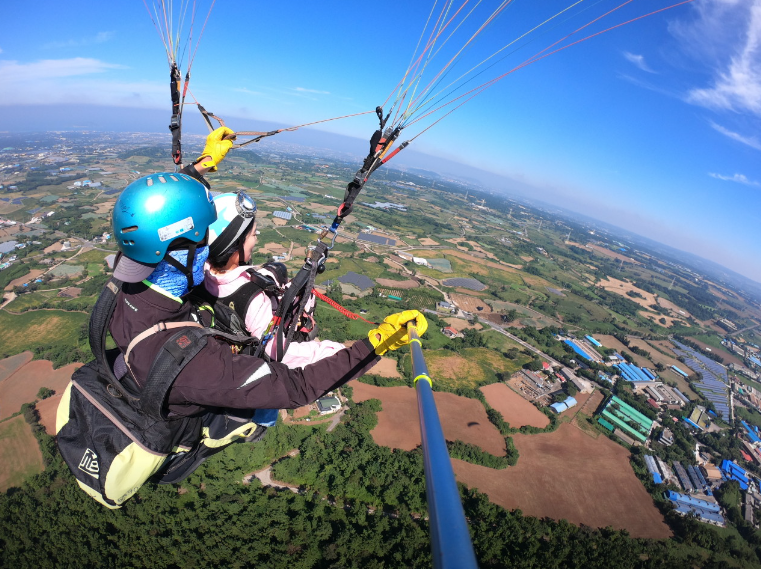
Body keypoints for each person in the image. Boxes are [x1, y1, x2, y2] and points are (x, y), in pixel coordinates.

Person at [109, 126, 428, 422]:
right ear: (183, 250)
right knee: (263, 416)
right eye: (203, 238)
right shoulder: (198, 367)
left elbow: (160, 225)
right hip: (212, 403)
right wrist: (373, 346)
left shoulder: (127, 278)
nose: (208, 244)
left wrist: (202, 165)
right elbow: (297, 386)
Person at [203, 191, 345, 367]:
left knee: (275, 271)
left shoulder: (199, 273)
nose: (256, 239)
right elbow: (278, 352)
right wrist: (336, 352)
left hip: (221, 332)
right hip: (251, 351)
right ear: (236, 245)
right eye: (253, 235)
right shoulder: (253, 299)